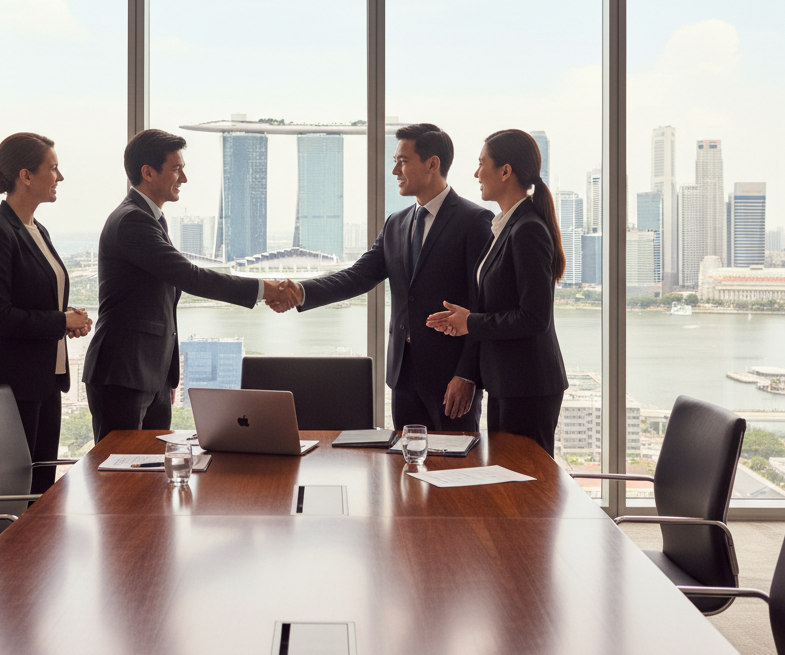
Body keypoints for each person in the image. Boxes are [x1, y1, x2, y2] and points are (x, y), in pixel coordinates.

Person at [270, 123, 494, 433]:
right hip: (403, 377)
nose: (394, 171)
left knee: (453, 471)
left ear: (432, 164)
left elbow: (483, 306)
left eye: (402, 161)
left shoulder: (476, 221)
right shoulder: (396, 223)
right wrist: (301, 290)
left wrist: (467, 375)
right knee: (406, 470)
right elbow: (357, 277)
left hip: (451, 381)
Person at [83, 128, 289, 441]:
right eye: (177, 169)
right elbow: (189, 276)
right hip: (123, 374)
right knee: (119, 477)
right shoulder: (132, 221)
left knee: (153, 477)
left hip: (149, 374)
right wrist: (265, 289)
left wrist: (163, 379)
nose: (184, 178)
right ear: (148, 172)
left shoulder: (151, 219)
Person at [425, 128, 568, 455]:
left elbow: (534, 317)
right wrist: (463, 319)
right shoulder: (508, 225)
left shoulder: (527, 230)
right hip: (508, 382)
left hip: (528, 386)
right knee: (509, 481)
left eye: (481, 163)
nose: (476, 173)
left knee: (525, 488)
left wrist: (470, 322)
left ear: (505, 171)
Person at [0, 132, 92, 495]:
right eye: (53, 168)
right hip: (11, 387)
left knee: (40, 494)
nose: (60, 176)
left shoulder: (38, 230)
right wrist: (60, 322)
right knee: (13, 496)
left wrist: (66, 318)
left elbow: (33, 300)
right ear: (26, 176)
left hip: (45, 383)